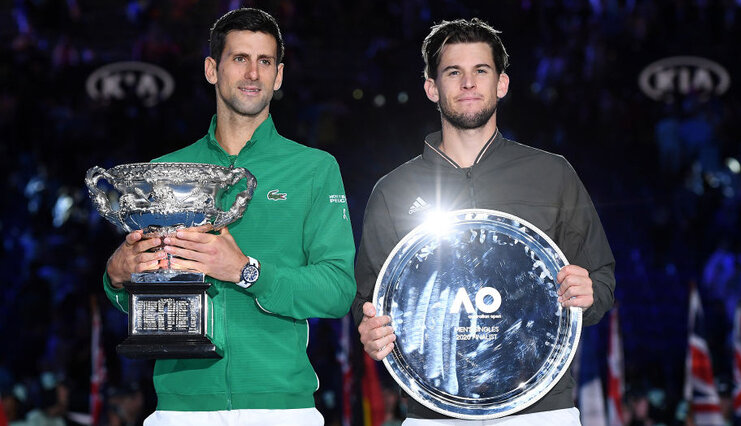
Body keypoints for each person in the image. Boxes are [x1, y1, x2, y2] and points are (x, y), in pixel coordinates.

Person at [351, 18, 615, 425]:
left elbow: (601, 278)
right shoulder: (393, 190)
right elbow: (370, 299)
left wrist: (589, 291)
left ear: (502, 84)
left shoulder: (552, 174)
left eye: (481, 71)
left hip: (541, 409)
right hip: (433, 411)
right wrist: (370, 330)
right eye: (453, 72)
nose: (468, 83)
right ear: (432, 88)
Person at [102, 8, 356, 426]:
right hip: (180, 406)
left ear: (279, 76)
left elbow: (338, 290)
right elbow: (145, 287)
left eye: (265, 61)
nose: (253, 73)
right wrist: (116, 276)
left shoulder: (314, 168)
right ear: (211, 69)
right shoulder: (165, 171)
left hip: (280, 407)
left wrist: (244, 270)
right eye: (240, 58)